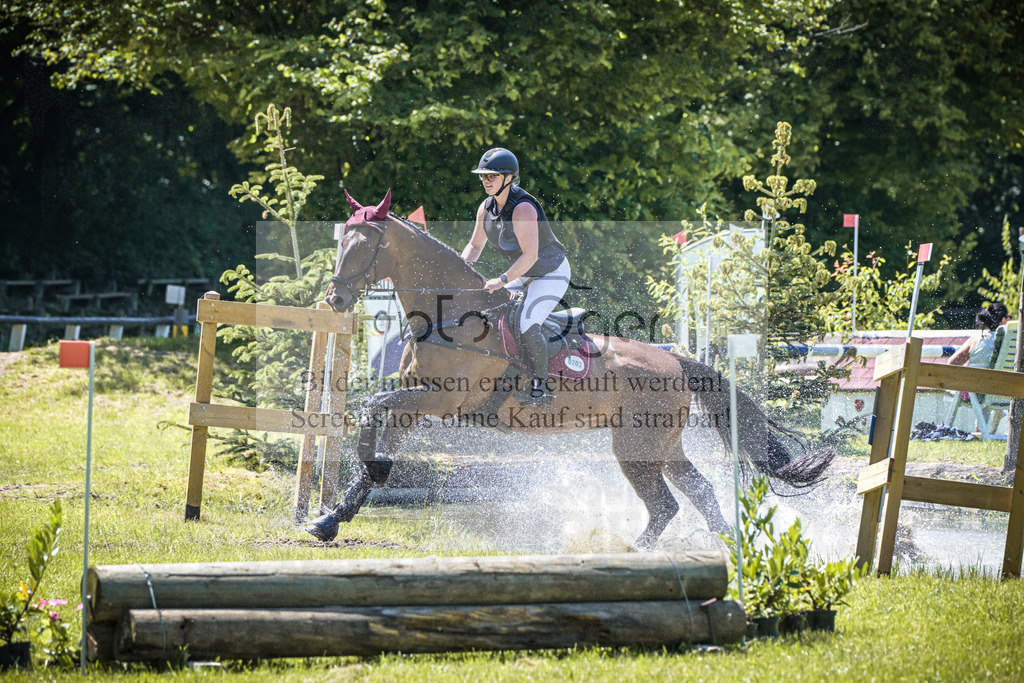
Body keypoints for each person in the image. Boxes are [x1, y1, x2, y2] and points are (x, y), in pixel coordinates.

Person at [460, 147, 570, 407]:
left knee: (526, 323)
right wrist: (458, 270)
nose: (486, 180)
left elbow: (530, 256)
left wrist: (501, 280)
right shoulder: (485, 208)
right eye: (483, 176)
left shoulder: (523, 209)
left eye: (492, 176)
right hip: (524, 273)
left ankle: (542, 388)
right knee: (495, 314)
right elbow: (474, 246)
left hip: (550, 273)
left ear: (508, 178)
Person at [948, 302, 1010, 368]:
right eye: (1009, 317)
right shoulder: (1010, 340)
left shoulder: (976, 339)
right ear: (1003, 320)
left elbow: (952, 363)